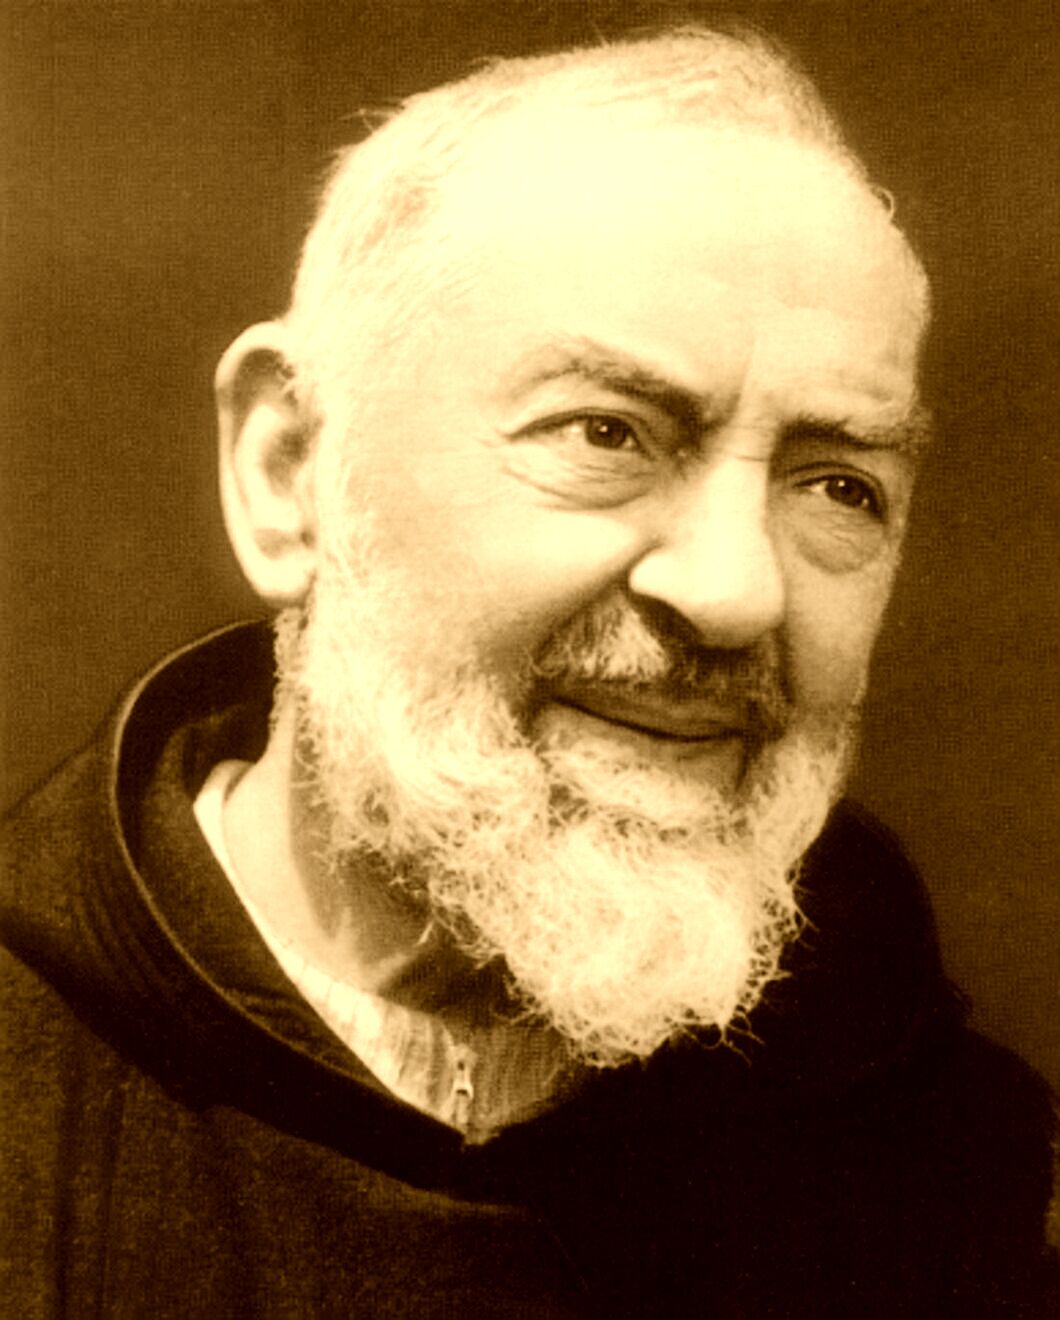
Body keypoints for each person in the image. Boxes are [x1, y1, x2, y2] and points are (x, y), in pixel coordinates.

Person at [1, 24, 1056, 1317]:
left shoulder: (968, 1176)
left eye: (839, 484)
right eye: (606, 432)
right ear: (289, 473)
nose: (736, 592)